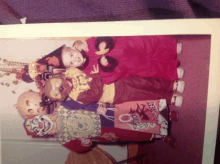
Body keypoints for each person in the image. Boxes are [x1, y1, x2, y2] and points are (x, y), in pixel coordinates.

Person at [23, 98, 176, 153]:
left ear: (40, 116)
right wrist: (84, 143)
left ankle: (163, 113)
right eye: (37, 128)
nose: (41, 125)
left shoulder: (62, 108)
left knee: (133, 111)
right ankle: (158, 134)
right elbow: (77, 148)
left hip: (102, 114)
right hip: (104, 132)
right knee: (133, 132)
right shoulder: (63, 139)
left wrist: (96, 108)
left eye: (37, 121)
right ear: (41, 134)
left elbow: (79, 103)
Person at [36, 35, 184, 84]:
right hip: (126, 65)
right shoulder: (88, 71)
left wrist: (102, 43)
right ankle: (172, 70)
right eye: (72, 63)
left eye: (72, 55)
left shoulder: (87, 44)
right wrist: (104, 66)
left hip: (126, 46)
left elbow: (108, 36)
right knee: (150, 68)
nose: (76, 59)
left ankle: (171, 47)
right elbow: (106, 79)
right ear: (71, 68)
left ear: (74, 48)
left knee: (147, 44)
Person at [43, 66, 185, 107]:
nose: (59, 88)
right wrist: (97, 76)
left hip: (115, 78)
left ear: (58, 77)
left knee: (145, 81)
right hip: (117, 94)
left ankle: (171, 84)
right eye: (57, 92)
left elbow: (84, 67)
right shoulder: (77, 97)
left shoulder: (70, 71)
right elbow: (95, 93)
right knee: (145, 95)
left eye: (56, 84)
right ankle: (168, 98)